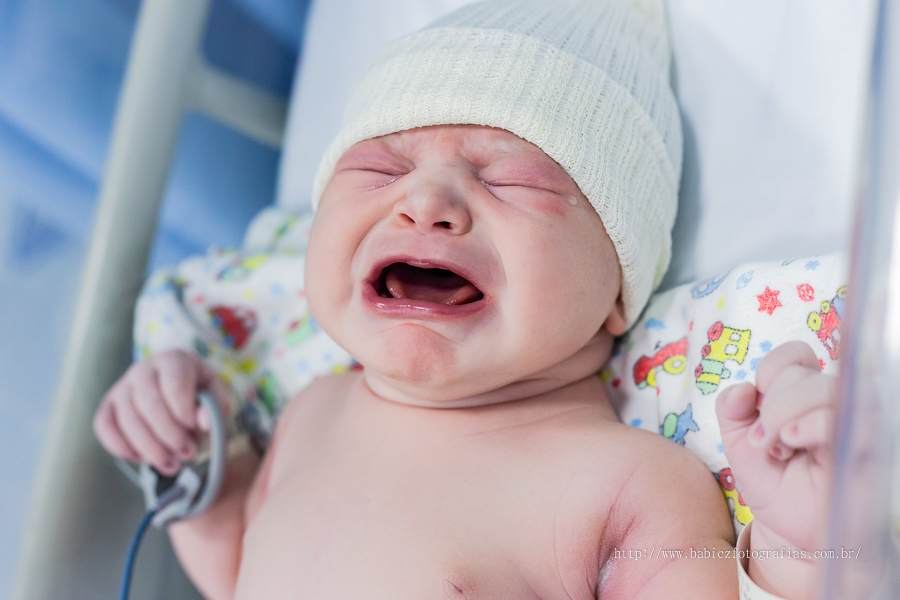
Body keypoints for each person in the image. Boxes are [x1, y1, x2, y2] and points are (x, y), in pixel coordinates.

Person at [93, 1, 835, 598]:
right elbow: (235, 572)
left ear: (618, 288)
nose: (425, 201)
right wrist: (194, 461)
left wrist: (801, 542)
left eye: (511, 180)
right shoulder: (309, 411)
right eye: (380, 169)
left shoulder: (624, 486)